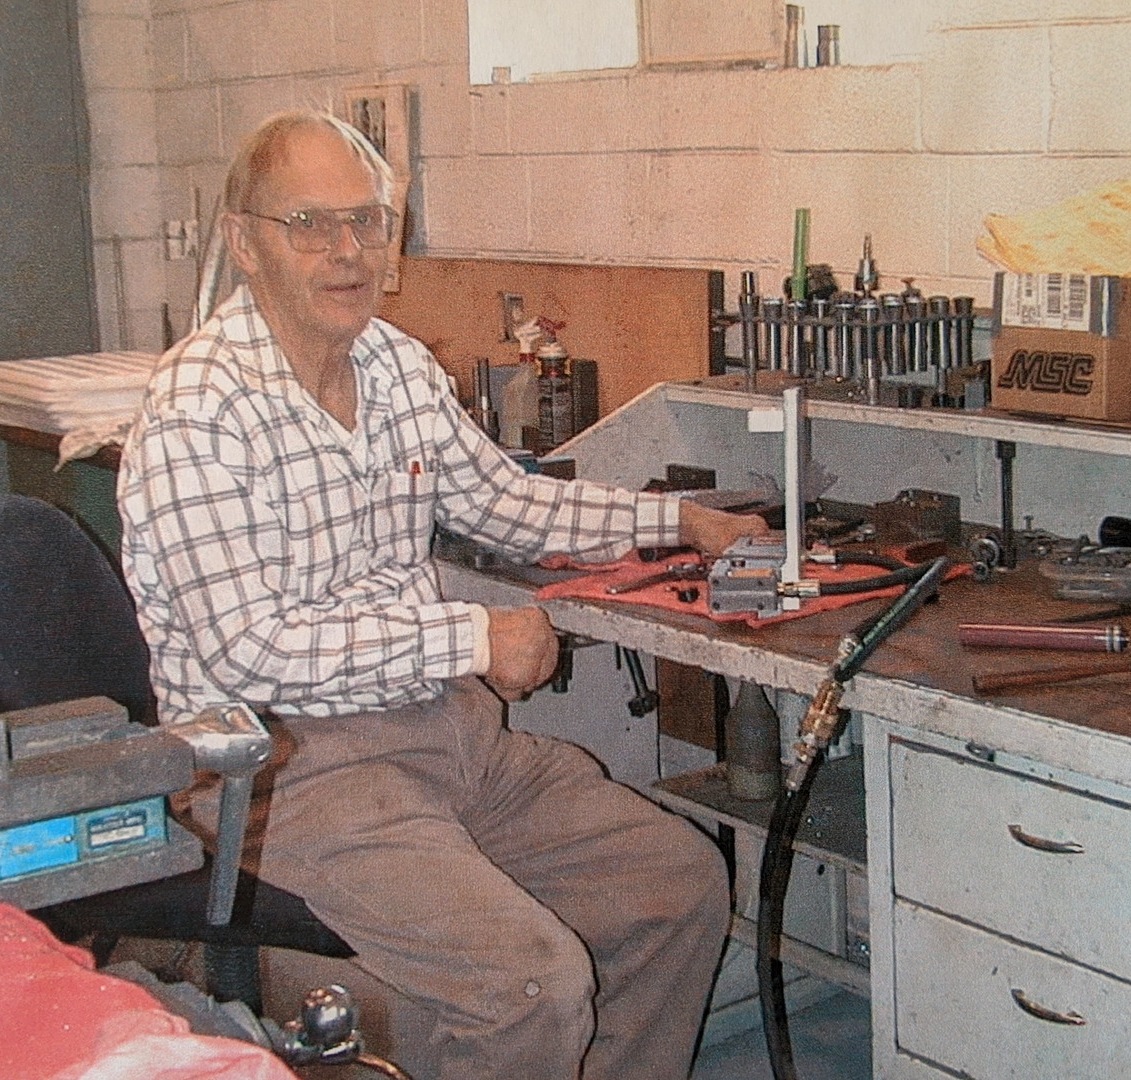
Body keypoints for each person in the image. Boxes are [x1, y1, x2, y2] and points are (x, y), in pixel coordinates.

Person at [116, 110, 766, 1080]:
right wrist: (468, 640)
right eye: (310, 224)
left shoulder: (393, 366)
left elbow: (506, 504)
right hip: (284, 773)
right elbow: (244, 650)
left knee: (676, 886)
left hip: (445, 738)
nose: (348, 251)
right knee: (530, 987)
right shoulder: (196, 411)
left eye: (368, 223)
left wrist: (679, 524)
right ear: (243, 242)